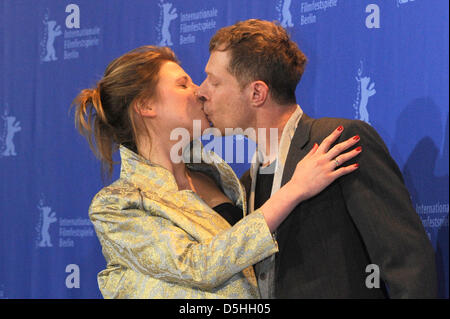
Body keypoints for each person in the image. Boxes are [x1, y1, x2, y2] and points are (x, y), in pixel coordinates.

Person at [72, 45, 361, 298]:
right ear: (146, 105)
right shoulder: (117, 205)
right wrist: (295, 189)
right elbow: (197, 265)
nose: (200, 91)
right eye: (183, 85)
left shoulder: (221, 178)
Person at [197, 19, 437, 298]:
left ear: (257, 93)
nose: (201, 91)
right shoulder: (246, 182)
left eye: (214, 81)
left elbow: (407, 262)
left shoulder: (336, 143)